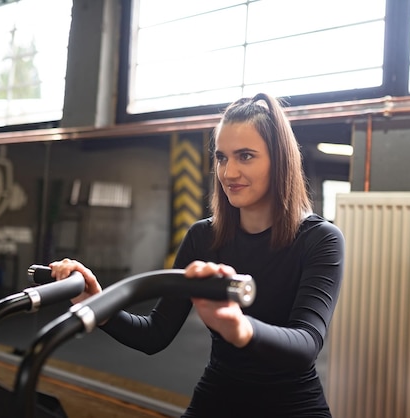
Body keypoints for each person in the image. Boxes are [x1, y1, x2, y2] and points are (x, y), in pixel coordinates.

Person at [49, 92, 345, 417]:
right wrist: (99, 305)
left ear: (280, 161)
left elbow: (305, 344)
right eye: (221, 157)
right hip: (218, 397)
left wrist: (240, 328)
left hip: (292, 406)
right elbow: (155, 334)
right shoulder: (203, 237)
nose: (229, 173)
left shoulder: (320, 240)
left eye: (245, 156)